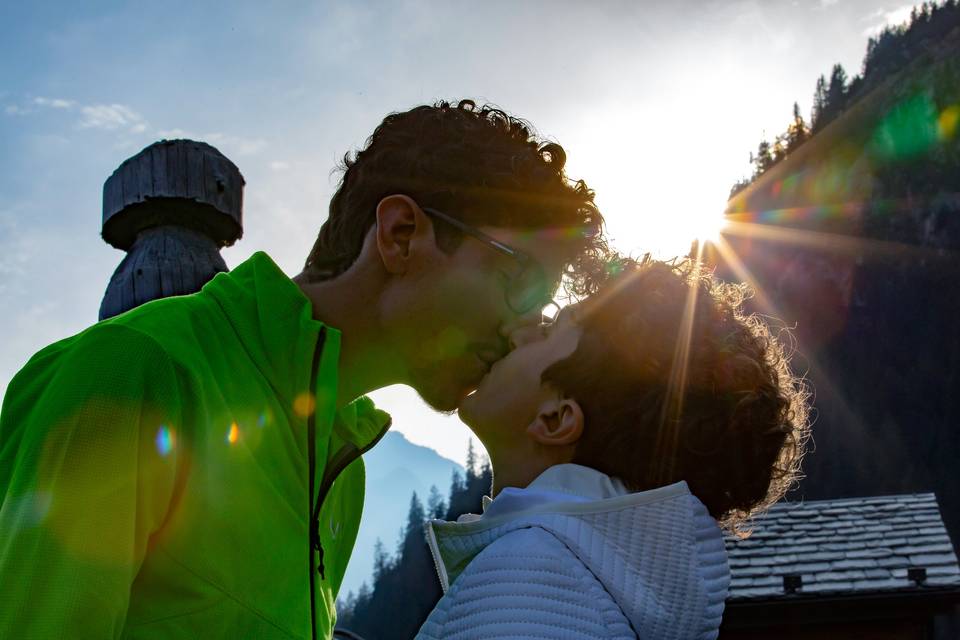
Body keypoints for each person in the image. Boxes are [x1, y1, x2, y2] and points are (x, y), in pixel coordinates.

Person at [0, 100, 607, 639]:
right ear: (400, 235)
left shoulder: (345, 465)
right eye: (518, 283)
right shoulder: (136, 370)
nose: (522, 327)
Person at [415, 256, 810, 640]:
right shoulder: (591, 581)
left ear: (556, 419)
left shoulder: (528, 581)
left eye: (550, 331)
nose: (519, 334)